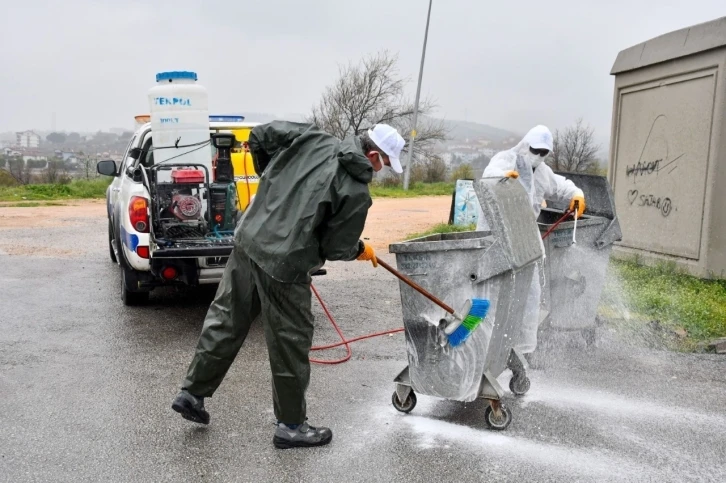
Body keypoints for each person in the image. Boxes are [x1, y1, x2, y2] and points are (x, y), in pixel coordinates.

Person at [172, 121, 405, 449]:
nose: (381, 171)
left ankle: (192, 394)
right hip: (285, 265)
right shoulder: (355, 191)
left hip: (249, 240)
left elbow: (260, 135)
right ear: (371, 154)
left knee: (227, 320)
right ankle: (291, 426)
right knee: (290, 344)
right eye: (383, 164)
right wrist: (357, 249)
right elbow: (337, 247)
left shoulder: (313, 138)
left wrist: (270, 180)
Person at [476, 125, 586, 353]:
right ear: (526, 144)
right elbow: (488, 176)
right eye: (535, 149)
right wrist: (502, 179)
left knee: (529, 294)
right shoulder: (506, 159)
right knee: (490, 293)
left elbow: (561, 185)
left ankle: (521, 351)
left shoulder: (544, 173)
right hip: (495, 236)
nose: (538, 155)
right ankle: (482, 344)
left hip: (524, 239)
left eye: (543, 152)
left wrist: (577, 195)